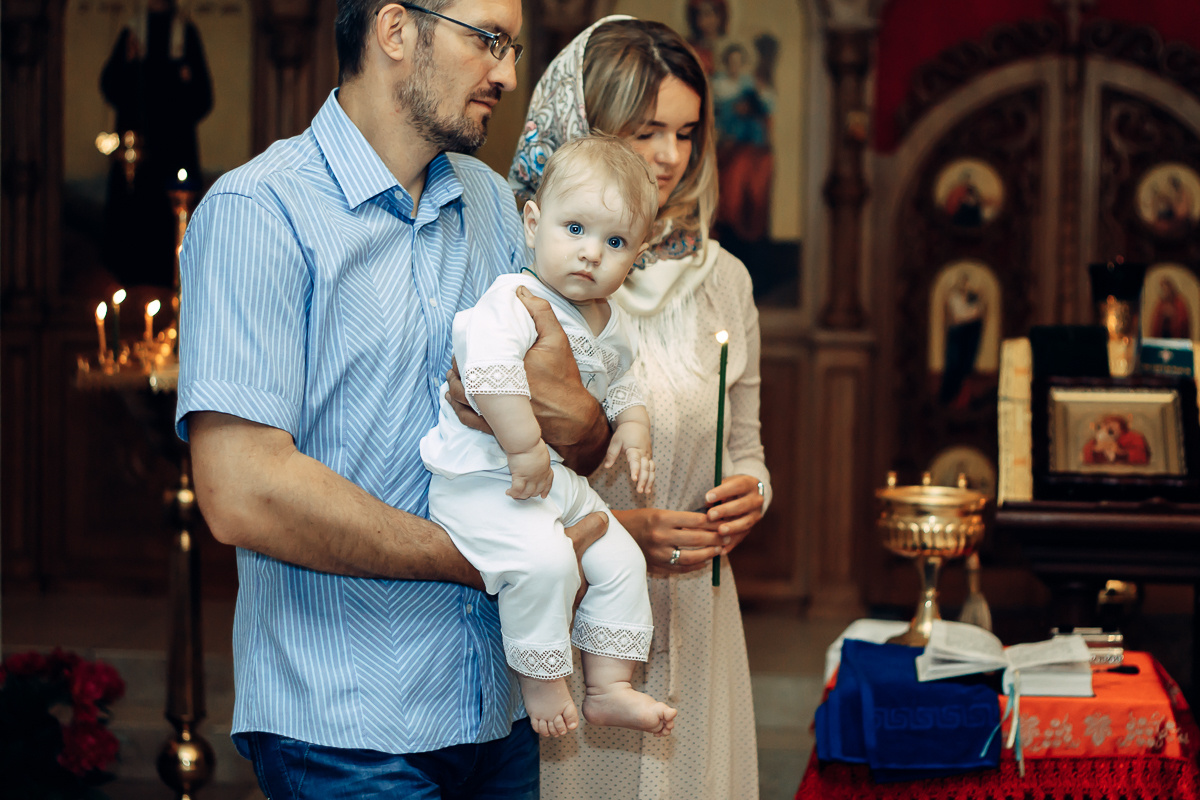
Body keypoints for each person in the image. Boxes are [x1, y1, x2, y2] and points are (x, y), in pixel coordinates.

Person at [175, 1, 611, 797]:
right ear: (396, 30)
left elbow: (571, 424)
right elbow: (242, 491)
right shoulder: (259, 212)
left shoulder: (492, 204)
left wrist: (583, 422)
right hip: (346, 724)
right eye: (490, 41)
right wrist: (489, 561)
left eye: (513, 49)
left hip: (500, 712)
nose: (507, 75)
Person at [507, 16, 772, 799]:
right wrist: (621, 530)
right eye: (646, 130)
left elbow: (748, 447)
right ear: (586, 127)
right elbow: (490, 479)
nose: (669, 156)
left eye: (686, 133)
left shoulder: (724, 279)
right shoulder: (530, 283)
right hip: (572, 623)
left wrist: (753, 494)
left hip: (697, 615)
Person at [422, 135, 676, 740]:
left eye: (614, 242)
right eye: (575, 229)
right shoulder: (515, 298)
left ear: (636, 256)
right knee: (545, 561)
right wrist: (524, 448)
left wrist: (632, 429)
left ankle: (609, 687)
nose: (590, 253)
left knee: (620, 555)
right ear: (533, 223)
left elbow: (624, 381)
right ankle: (540, 678)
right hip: (484, 476)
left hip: (549, 481)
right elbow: (487, 373)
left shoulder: (610, 321)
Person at [101, 0, 212, 287]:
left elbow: (203, 96)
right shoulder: (132, 32)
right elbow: (110, 84)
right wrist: (128, 63)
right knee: (132, 225)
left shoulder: (185, 34)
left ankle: (170, 289)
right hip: (137, 151)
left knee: (168, 228)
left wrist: (178, 94)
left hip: (173, 150)